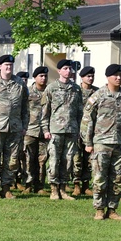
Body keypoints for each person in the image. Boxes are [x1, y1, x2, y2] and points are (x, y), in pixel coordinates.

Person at [81, 64, 121, 220]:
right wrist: (88, 143)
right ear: (108, 77)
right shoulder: (98, 96)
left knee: (117, 178)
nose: (118, 78)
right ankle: (99, 209)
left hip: (120, 143)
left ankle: (112, 209)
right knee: (99, 177)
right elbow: (87, 121)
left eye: (120, 75)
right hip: (101, 143)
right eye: (115, 75)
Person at [42, 60, 83, 201]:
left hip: (71, 130)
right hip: (55, 130)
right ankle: (54, 189)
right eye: (65, 68)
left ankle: (63, 189)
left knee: (68, 160)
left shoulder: (76, 89)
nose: (68, 71)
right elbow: (45, 112)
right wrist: (45, 129)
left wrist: (78, 129)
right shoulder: (51, 88)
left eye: (70, 68)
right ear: (59, 71)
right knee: (54, 160)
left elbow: (79, 112)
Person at [0, 55, 28, 199]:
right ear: (0, 66)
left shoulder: (19, 83)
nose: (8, 67)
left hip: (15, 127)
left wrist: (24, 125)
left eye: (11, 65)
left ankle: (6, 188)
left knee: (12, 160)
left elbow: (25, 106)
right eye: (6, 65)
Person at [22, 66, 49, 194]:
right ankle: (28, 185)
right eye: (41, 76)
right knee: (28, 159)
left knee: (42, 160)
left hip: (44, 131)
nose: (43, 78)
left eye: (45, 76)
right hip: (30, 130)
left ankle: (40, 186)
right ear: (35, 78)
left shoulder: (49, 92)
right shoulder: (27, 92)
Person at [71, 67, 98, 197]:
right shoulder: (76, 91)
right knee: (76, 158)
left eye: (92, 76)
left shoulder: (97, 92)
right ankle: (76, 184)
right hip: (77, 129)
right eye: (88, 76)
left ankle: (86, 185)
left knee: (89, 159)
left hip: (91, 131)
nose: (90, 78)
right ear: (82, 77)